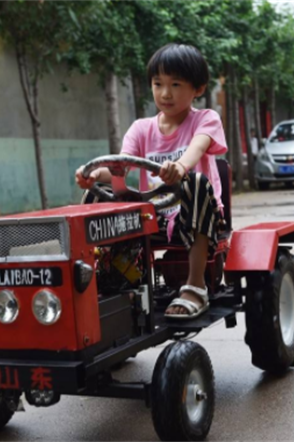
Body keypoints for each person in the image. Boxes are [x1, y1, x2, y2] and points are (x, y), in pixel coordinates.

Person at [75, 43, 227, 319]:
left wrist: (180, 167)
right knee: (97, 197)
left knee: (194, 181)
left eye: (176, 84)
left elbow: (198, 147)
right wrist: (96, 175)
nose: (165, 93)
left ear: (198, 89)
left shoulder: (206, 120)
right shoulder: (141, 128)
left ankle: (195, 286)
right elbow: (120, 168)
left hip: (197, 215)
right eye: (158, 84)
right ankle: (106, 280)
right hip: (153, 216)